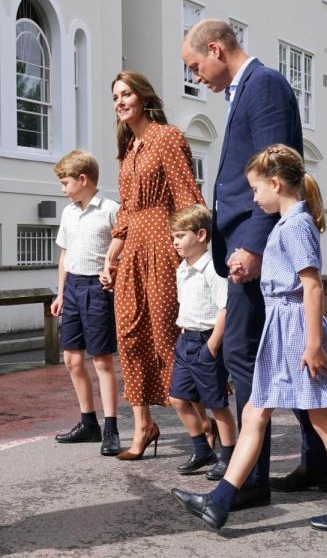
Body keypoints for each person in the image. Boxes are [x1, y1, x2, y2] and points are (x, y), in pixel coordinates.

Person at [172, 144, 327, 533]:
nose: (253, 197)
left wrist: (313, 343)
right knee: (254, 413)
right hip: (281, 329)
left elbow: (311, 286)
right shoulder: (287, 224)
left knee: (324, 421)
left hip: (297, 331)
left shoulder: (296, 225)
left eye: (256, 189)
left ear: (276, 184)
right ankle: (221, 501)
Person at [181, 18, 327, 502]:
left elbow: (277, 169)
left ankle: (248, 482)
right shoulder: (244, 90)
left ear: (216, 49)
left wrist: (252, 242)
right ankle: (319, 465)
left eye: (195, 66)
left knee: (243, 355)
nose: (196, 76)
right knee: (281, 357)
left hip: (256, 245)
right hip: (246, 241)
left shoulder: (264, 84)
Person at [101, 71, 205, 460]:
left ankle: (205, 424)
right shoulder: (129, 149)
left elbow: (187, 196)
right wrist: (111, 255)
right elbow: (126, 212)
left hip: (164, 245)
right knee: (128, 336)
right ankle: (143, 425)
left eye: (126, 94)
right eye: (115, 97)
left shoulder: (167, 137)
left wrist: (192, 252)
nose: (120, 102)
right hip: (132, 252)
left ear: (144, 97)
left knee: (166, 337)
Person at [50, 149, 122, 456]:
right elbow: (64, 254)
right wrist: (60, 292)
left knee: (102, 361)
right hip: (74, 289)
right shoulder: (68, 213)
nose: (63, 189)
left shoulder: (110, 209)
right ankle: (87, 422)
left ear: (83, 179)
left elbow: (122, 249)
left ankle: (111, 428)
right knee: (72, 360)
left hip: (97, 289)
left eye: (65, 183)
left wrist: (111, 271)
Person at [167, 205, 237, 477]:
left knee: (217, 404)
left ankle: (228, 456)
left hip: (208, 341)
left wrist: (212, 347)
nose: (175, 242)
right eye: (173, 236)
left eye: (180, 236)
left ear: (200, 235)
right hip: (186, 340)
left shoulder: (213, 269)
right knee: (178, 398)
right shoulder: (182, 269)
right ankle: (202, 449)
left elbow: (225, 308)